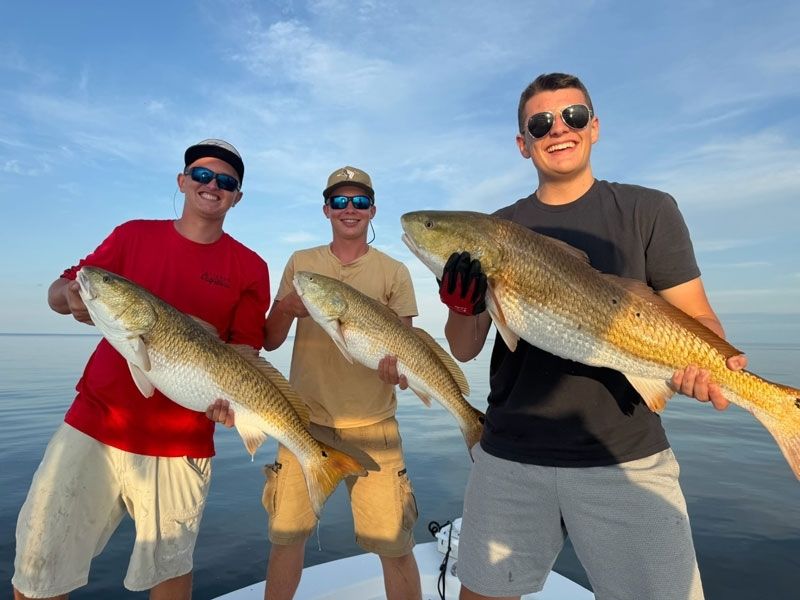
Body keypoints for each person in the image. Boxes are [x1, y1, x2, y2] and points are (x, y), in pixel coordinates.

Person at [436, 73, 747, 600]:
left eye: (573, 117)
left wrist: (706, 366)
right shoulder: (495, 228)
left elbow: (700, 318)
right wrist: (463, 306)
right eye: (541, 123)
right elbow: (464, 347)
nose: (559, 129)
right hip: (511, 455)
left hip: (626, 454)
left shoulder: (648, 210)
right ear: (523, 143)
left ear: (595, 127)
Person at [12, 139, 270, 600]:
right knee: (38, 568)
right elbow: (64, 286)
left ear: (237, 197)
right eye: (202, 174)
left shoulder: (251, 266)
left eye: (226, 182)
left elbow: (244, 354)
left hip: (181, 441)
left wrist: (234, 408)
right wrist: (69, 295)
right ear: (182, 181)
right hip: (93, 424)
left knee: (169, 574)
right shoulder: (132, 235)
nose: (212, 185)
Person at [209, 165, 422, 600]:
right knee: (287, 538)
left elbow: (406, 346)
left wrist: (397, 371)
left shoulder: (394, 271)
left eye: (359, 202)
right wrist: (286, 307)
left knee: (395, 545)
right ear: (326, 209)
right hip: (302, 421)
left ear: (372, 210)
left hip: (374, 425)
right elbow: (269, 339)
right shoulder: (301, 264)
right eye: (340, 201)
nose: (350, 209)